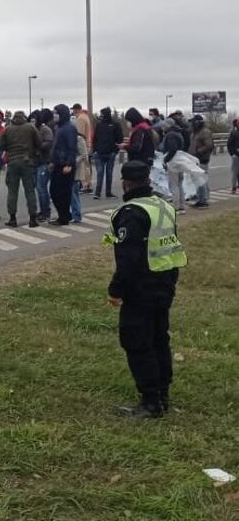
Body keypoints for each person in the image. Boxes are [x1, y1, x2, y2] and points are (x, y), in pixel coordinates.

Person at [105, 160, 187, 418]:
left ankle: (151, 401)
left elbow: (128, 259)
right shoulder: (163, 205)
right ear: (148, 181)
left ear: (125, 182)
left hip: (141, 286)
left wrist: (116, 290)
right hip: (166, 281)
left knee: (137, 340)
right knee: (159, 338)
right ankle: (162, 392)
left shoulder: (131, 213)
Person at [0, 110, 40, 228]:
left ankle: (12, 218)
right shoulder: (30, 128)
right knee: (30, 191)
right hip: (27, 162)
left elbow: (1, 146)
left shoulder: (7, 129)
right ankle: (33, 219)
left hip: (12, 162)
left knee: (12, 191)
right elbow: (39, 143)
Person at [49, 104, 77, 225]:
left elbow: (72, 148)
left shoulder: (69, 128)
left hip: (65, 165)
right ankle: (64, 215)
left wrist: (69, 164)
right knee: (55, 191)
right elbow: (56, 147)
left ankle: (64, 217)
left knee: (62, 192)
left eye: (56, 113)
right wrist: (52, 161)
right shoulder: (58, 128)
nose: (54, 115)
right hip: (58, 164)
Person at [92, 107, 123, 199]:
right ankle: (98, 192)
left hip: (110, 153)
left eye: (102, 114)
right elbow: (95, 138)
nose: (101, 116)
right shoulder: (99, 125)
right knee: (100, 173)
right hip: (100, 153)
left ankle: (107, 192)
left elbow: (120, 138)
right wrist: (95, 150)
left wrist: (115, 150)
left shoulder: (115, 125)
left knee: (108, 173)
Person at [161, 120, 187, 213]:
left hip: (173, 162)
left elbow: (172, 149)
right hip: (180, 160)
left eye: (164, 126)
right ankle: (182, 206)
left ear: (168, 126)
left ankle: (176, 207)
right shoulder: (179, 133)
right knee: (180, 184)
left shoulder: (170, 135)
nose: (162, 128)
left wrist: (165, 159)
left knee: (174, 185)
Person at [188, 115, 214, 208]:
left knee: (201, 180)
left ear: (198, 122)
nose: (191, 124)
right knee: (199, 180)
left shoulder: (204, 132)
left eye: (193, 122)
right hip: (195, 159)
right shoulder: (195, 132)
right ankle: (202, 198)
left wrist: (198, 152)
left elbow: (209, 145)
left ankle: (203, 201)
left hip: (201, 159)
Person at [34, 109, 55, 222]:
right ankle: (42, 210)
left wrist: (38, 147)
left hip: (44, 162)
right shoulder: (33, 129)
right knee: (39, 188)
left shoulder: (46, 130)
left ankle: (46, 211)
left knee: (42, 188)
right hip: (36, 162)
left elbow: (49, 143)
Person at [72, 103, 94, 193]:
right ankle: (87, 184)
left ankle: (85, 185)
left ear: (76, 110)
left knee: (84, 165)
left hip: (82, 143)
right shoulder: (86, 117)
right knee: (87, 165)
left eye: (73, 110)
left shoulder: (80, 118)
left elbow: (79, 133)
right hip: (87, 142)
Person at [70, 129, 89, 223]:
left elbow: (84, 155)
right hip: (69, 169)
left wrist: (73, 162)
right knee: (72, 193)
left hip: (75, 169)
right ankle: (74, 214)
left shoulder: (79, 139)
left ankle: (76, 215)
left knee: (73, 193)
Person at [229, 118, 239, 194]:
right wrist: (232, 154)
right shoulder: (234, 133)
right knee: (235, 172)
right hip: (236, 155)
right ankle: (234, 187)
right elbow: (229, 144)